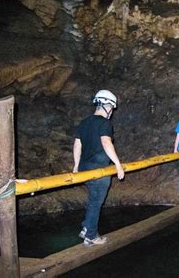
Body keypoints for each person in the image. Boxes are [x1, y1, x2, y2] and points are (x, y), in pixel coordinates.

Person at [73, 90, 125, 246]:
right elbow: (106, 143)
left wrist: (76, 166)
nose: (112, 111)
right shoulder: (105, 123)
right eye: (112, 107)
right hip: (99, 170)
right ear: (106, 105)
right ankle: (91, 236)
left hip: (84, 168)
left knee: (92, 200)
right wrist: (117, 164)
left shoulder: (84, 122)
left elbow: (77, 145)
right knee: (96, 202)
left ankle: (86, 227)